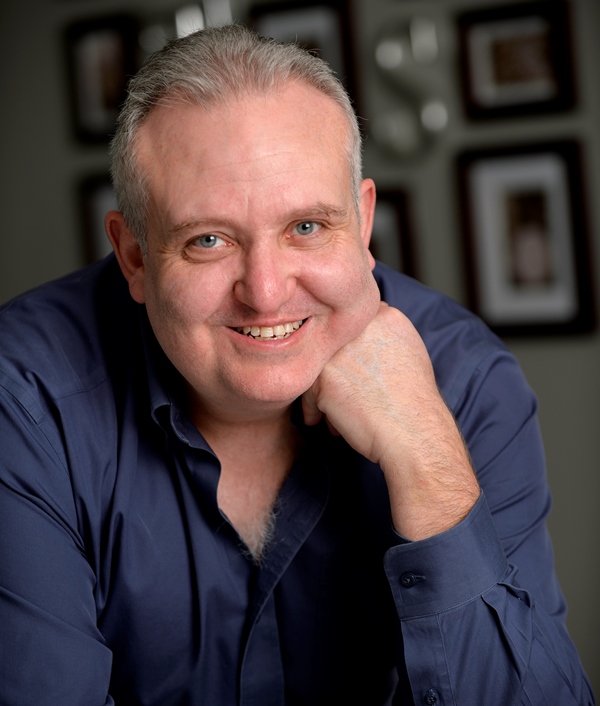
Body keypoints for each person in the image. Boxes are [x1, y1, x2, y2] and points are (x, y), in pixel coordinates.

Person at [0, 24, 594, 706]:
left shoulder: (467, 382)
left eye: (306, 228)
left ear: (363, 224)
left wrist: (428, 463)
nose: (267, 290)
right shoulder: (24, 400)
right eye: (209, 240)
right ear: (133, 256)